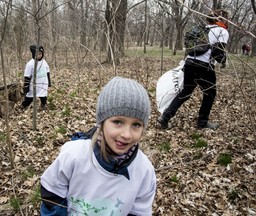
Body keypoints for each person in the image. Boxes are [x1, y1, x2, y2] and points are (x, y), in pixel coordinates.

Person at [40, 77, 156, 215]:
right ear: (102, 122)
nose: (127, 134)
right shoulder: (75, 155)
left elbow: (139, 212)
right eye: (118, 122)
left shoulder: (144, 171)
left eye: (136, 125)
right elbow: (52, 193)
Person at [158, 9, 229, 130]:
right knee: (210, 94)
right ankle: (202, 122)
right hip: (204, 66)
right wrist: (223, 61)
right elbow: (218, 53)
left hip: (189, 63)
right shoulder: (222, 31)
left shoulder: (201, 29)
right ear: (221, 20)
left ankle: (165, 117)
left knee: (186, 92)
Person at [21, 45, 51, 110]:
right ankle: (23, 106)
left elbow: (47, 72)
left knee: (43, 97)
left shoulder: (44, 62)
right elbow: (27, 76)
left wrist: (49, 82)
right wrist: (26, 87)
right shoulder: (30, 64)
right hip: (34, 85)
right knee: (29, 97)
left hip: (43, 84)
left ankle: (43, 106)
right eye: (37, 54)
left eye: (41, 54)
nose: (39, 55)